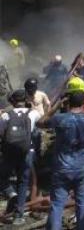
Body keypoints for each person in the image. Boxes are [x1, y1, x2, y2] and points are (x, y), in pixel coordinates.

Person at [38, 89, 84, 230]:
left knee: (57, 204)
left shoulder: (60, 118)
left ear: (68, 102)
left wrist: (56, 107)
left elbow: (40, 122)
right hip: (83, 168)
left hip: (61, 168)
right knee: (83, 203)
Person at [0, 90, 40, 225]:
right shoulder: (33, 113)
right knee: (23, 182)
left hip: (9, 153)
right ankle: (18, 217)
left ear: (13, 101)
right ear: (26, 100)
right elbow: (43, 123)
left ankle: (11, 194)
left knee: (2, 176)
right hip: (27, 152)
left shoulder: (6, 115)